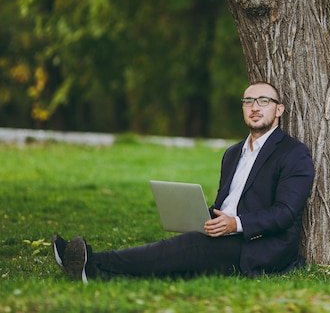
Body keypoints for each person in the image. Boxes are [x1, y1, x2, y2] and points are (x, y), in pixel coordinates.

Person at [52, 82, 315, 282]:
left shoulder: (293, 153)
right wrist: (207, 217)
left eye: (263, 101)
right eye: (248, 101)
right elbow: (230, 201)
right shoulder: (233, 153)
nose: (255, 107)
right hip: (224, 234)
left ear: (279, 109)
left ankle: (92, 262)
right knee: (180, 256)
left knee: (185, 247)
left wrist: (235, 223)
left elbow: (286, 213)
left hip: (260, 245)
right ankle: (97, 272)